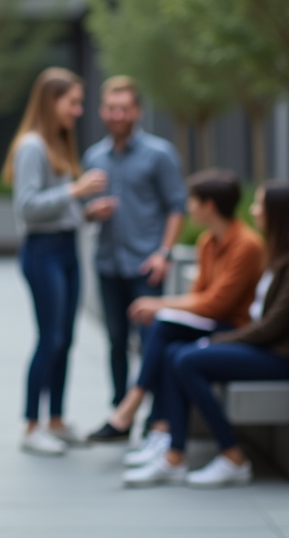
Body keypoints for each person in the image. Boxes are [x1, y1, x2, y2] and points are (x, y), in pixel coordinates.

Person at [123, 181, 289, 487]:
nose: (253, 210)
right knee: (173, 352)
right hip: (262, 346)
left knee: (187, 359)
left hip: (277, 356)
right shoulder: (280, 255)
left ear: (279, 213)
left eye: (259, 205)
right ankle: (174, 455)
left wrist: (216, 341)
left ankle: (232, 456)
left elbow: (272, 326)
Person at [88, 169, 265, 452]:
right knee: (166, 343)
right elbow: (200, 296)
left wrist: (158, 304)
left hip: (234, 329)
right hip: (212, 322)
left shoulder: (246, 245)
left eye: (192, 201)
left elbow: (217, 304)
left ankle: (134, 406)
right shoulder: (207, 242)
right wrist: (162, 308)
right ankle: (164, 433)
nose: (188, 207)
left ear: (209, 206)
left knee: (162, 328)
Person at [4, 67, 108, 455]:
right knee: (51, 339)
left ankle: (57, 421)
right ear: (52, 102)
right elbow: (28, 208)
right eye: (73, 102)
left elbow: (58, 207)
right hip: (42, 251)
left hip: (65, 247)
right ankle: (32, 426)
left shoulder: (59, 144)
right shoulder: (32, 146)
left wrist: (87, 211)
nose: (79, 111)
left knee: (66, 339)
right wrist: (75, 190)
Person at [81, 76, 189, 441]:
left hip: (147, 265)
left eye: (124, 108)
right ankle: (119, 414)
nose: (117, 114)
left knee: (150, 342)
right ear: (102, 111)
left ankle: (157, 418)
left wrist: (164, 253)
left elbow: (177, 207)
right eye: (111, 108)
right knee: (115, 341)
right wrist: (93, 211)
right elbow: (84, 209)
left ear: (137, 111)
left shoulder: (160, 154)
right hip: (108, 263)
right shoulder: (94, 157)